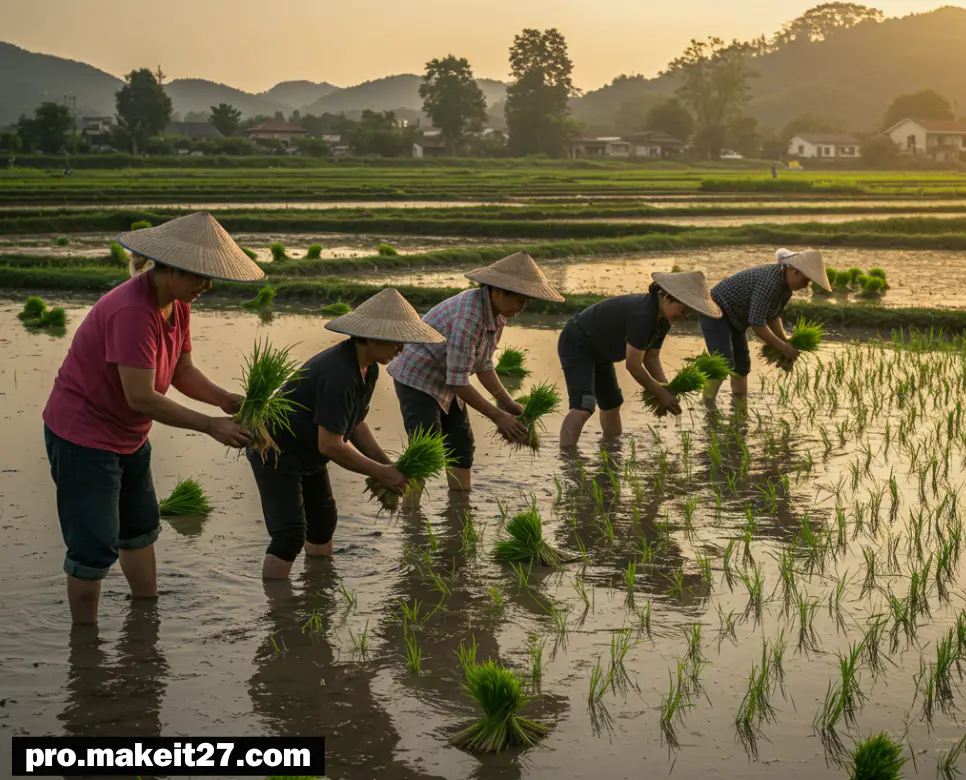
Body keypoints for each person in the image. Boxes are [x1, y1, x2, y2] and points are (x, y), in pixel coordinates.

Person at [42, 212, 264, 625]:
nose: (207, 287)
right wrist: (209, 425)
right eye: (201, 276)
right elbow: (141, 397)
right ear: (172, 268)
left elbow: (182, 371)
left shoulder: (176, 305)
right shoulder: (131, 311)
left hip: (128, 434)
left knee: (139, 528)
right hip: (83, 437)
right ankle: (85, 643)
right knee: (94, 545)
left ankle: (146, 619)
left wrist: (224, 400)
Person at [247, 288, 445, 580]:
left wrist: (388, 465)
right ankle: (280, 605)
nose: (401, 348)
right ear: (370, 336)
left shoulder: (367, 368)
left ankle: (318, 589)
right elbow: (330, 445)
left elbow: (355, 424)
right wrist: (381, 472)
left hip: (307, 452)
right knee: (289, 535)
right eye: (396, 340)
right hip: (276, 452)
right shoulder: (339, 374)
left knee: (323, 523)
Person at [388, 252, 564, 492]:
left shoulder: (497, 317)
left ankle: (460, 503)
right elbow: (458, 381)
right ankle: (411, 510)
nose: (521, 308)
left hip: (448, 379)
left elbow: (484, 365)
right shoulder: (468, 317)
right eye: (520, 301)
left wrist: (508, 404)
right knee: (426, 445)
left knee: (461, 444)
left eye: (526, 303)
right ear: (498, 291)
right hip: (418, 377)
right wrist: (498, 416)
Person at [558, 271, 722, 448]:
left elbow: (651, 358)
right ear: (668, 297)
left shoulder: (663, 319)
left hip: (601, 351)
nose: (684, 316)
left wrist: (667, 390)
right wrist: (660, 393)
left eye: (688, 313)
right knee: (583, 406)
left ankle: (612, 449)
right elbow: (633, 365)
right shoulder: (643, 315)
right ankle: (567, 458)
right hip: (578, 343)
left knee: (612, 403)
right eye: (683, 311)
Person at [700, 248, 831, 403]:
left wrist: (784, 341)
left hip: (735, 319)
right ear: (794, 271)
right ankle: (707, 405)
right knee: (722, 362)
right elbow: (757, 323)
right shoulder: (770, 282)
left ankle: (739, 406)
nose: (805, 286)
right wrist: (784, 348)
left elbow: (772, 317)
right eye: (805, 280)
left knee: (741, 366)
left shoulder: (785, 289)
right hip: (715, 312)